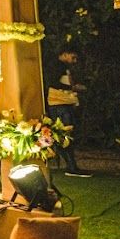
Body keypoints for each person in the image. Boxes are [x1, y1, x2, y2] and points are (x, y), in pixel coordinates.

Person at [47, 45, 90, 177]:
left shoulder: (61, 66)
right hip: (58, 103)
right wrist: (73, 87)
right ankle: (71, 167)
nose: (74, 61)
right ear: (65, 54)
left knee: (66, 134)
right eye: (73, 57)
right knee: (65, 135)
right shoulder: (56, 65)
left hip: (62, 102)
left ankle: (71, 165)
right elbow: (53, 82)